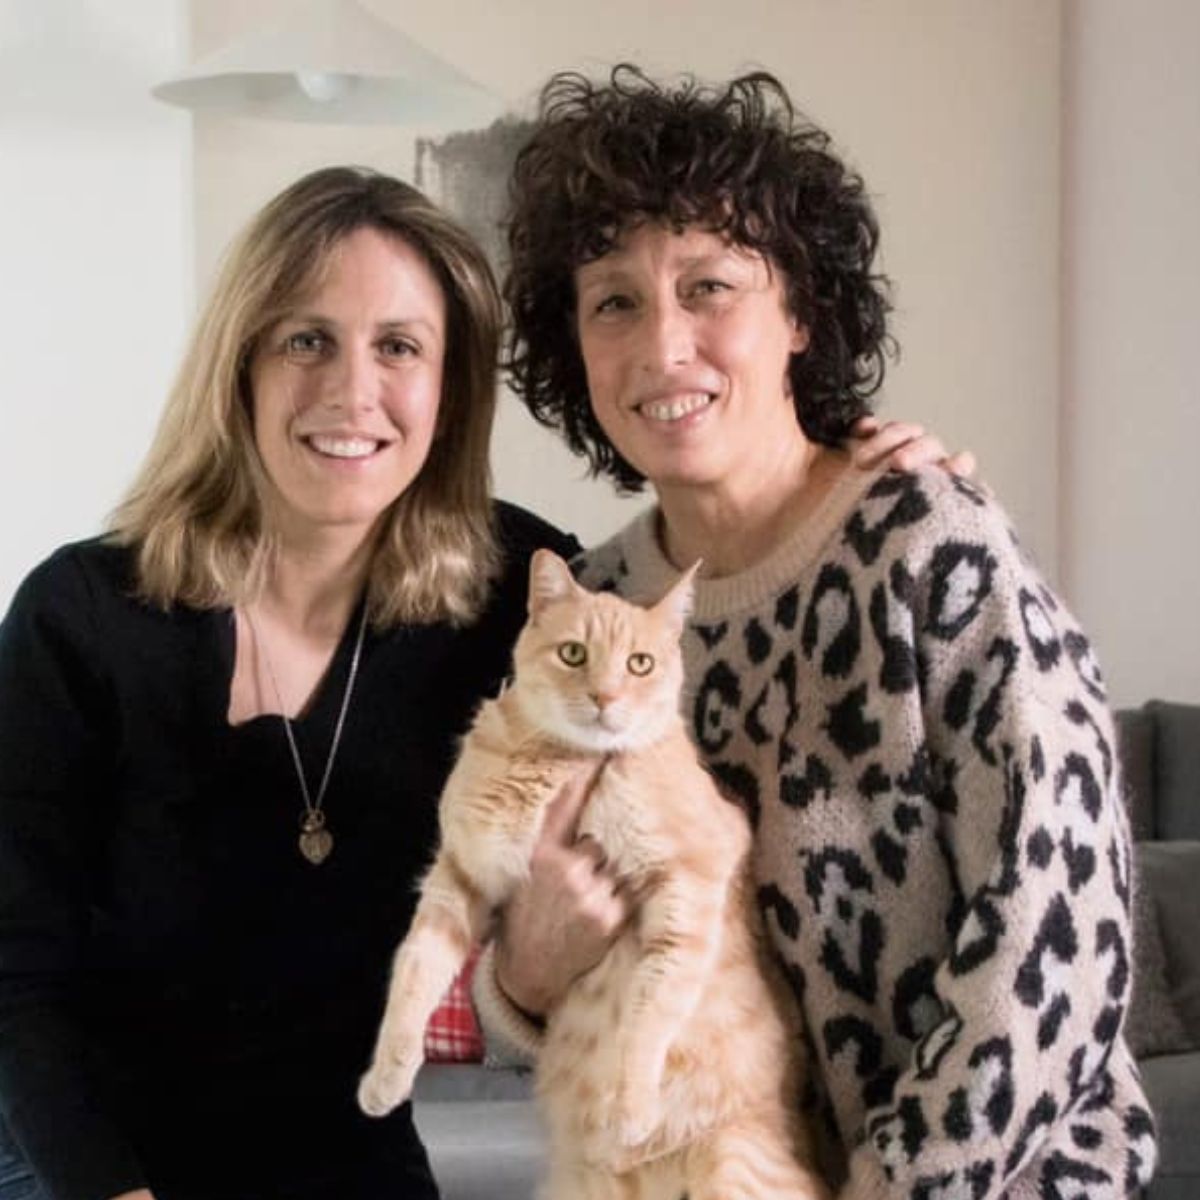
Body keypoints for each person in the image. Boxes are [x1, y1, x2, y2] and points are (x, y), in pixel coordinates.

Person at [0, 162, 957, 1200]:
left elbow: (704, 613)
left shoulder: (516, 596)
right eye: (307, 339)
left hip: (352, 1161)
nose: (351, 393)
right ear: (241, 366)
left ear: (450, 385)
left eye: (399, 348)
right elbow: (16, 984)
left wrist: (858, 487)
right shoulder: (80, 618)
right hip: (78, 1168)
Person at [473, 67, 1158, 1199]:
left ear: (799, 315)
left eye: (709, 286)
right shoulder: (600, 610)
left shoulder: (930, 543)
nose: (663, 347)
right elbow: (553, 970)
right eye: (615, 302)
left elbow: (1060, 943)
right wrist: (527, 980)